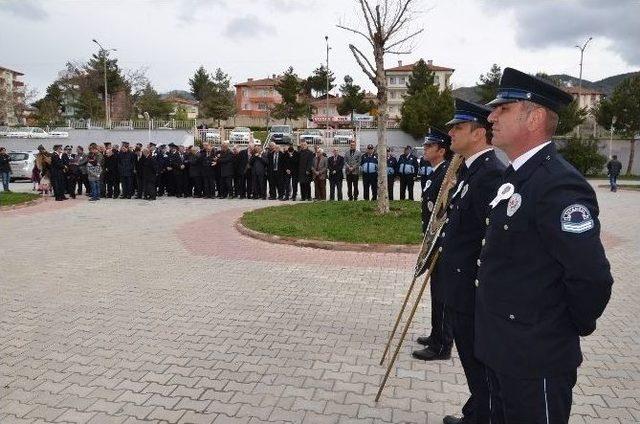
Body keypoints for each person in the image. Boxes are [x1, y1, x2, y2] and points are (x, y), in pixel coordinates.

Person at [477, 67, 613, 423]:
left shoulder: (558, 185)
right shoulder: (516, 176)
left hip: (535, 356)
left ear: (534, 117)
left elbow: (591, 277)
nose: (490, 116)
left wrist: (561, 329)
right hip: (502, 348)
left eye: (502, 108)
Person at [416, 102, 506, 424]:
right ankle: (478, 412)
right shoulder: (471, 171)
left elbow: (490, 239)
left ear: (479, 133)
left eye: (458, 127)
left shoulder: (491, 175)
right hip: (459, 286)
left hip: (472, 291)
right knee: (472, 362)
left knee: (479, 364)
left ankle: (483, 415)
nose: (450, 132)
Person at [419, 129, 452, 233]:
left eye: (429, 146)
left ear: (441, 151)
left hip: (439, 234)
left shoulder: (446, 174)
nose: (424, 149)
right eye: (425, 146)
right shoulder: (436, 172)